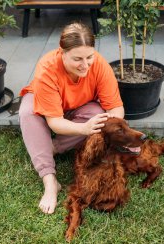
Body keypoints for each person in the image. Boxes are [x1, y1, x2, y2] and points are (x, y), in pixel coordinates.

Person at [19, 22, 125, 214]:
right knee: (27, 112)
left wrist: (111, 128)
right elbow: (55, 122)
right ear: (62, 52)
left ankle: (51, 148)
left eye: (89, 57)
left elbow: (116, 109)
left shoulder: (99, 64)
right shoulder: (47, 67)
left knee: (98, 115)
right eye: (78, 59)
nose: (85, 65)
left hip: (82, 108)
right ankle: (50, 181)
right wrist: (84, 129)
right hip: (48, 107)